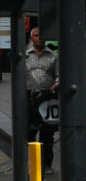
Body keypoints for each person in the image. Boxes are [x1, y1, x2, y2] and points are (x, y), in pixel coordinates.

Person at [26, 26, 59, 173]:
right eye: (36, 35)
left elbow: (59, 75)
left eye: (42, 35)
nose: (40, 38)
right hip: (29, 98)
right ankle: (32, 166)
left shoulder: (53, 56)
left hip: (47, 98)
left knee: (47, 134)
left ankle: (46, 165)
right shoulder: (25, 55)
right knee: (30, 134)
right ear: (31, 38)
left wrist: (58, 82)